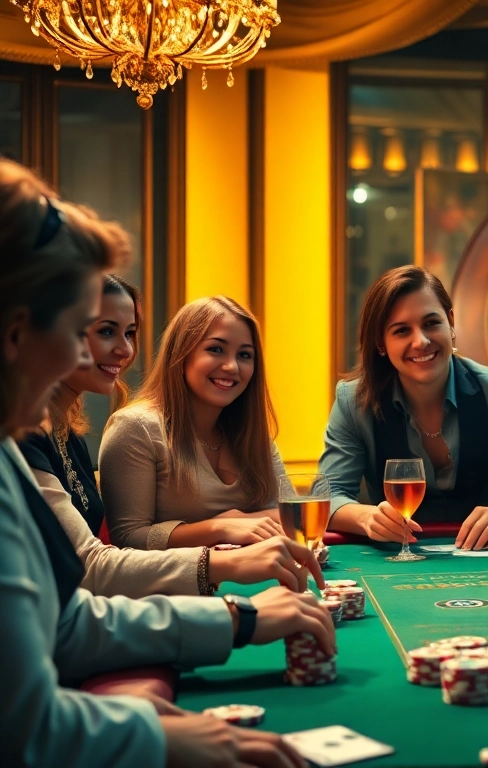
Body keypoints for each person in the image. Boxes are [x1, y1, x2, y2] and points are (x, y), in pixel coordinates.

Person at [0, 158, 328, 767]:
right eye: (82, 331)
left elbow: (68, 623)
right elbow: (26, 728)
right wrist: (156, 735)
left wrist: (237, 620)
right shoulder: (54, 440)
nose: (102, 355)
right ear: (17, 332)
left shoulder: (17, 443)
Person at [20, 275, 325, 599]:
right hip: (90, 616)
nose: (125, 349)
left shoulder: (69, 437)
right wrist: (222, 546)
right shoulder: (32, 435)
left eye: (129, 334)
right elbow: (104, 556)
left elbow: (287, 515)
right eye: (107, 331)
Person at [321, 265, 488, 550]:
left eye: (431, 323)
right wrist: (365, 517)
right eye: (401, 330)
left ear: (451, 322)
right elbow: (327, 494)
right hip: (394, 557)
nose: (420, 341)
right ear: (380, 344)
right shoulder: (352, 402)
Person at [100, 296, 289, 550]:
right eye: (216, 349)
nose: (232, 366)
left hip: (257, 576)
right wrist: (219, 526)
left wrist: (240, 520)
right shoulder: (135, 428)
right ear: (181, 355)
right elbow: (129, 539)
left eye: (245, 355)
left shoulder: (252, 433)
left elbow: (291, 515)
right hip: (172, 587)